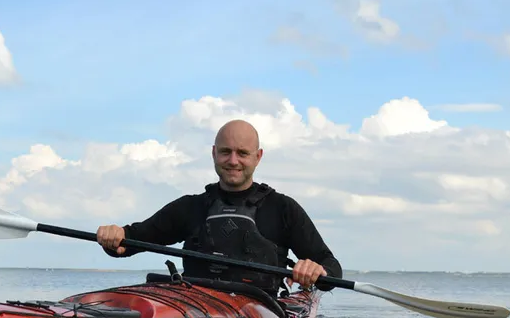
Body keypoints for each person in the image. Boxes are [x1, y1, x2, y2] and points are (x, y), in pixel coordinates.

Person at [96, 119, 342, 298]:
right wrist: (114, 236)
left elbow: (332, 268)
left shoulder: (283, 208)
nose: (233, 160)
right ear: (214, 154)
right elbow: (128, 242)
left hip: (261, 310)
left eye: (242, 153)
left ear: (258, 157)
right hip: (195, 305)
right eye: (225, 152)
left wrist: (317, 270)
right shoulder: (191, 207)